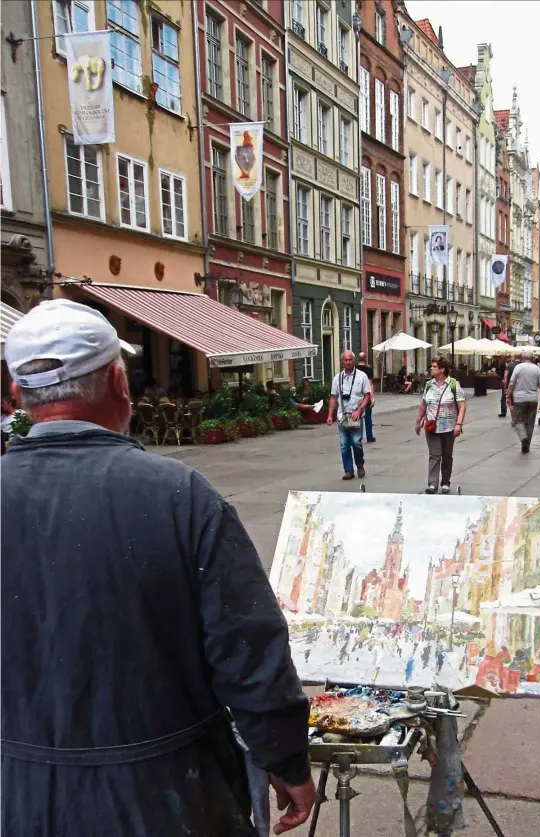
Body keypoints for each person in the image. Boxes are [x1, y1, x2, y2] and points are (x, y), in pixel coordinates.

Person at [1, 299, 315, 837]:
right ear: (120, 383)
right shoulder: (180, 497)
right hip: (167, 794)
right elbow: (249, 650)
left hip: (18, 793)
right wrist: (285, 760)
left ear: (16, 396)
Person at [414, 355, 466, 494]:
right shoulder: (429, 385)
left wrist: (459, 424)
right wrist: (418, 421)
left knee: (447, 455)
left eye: (434, 366)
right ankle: (432, 484)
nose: (431, 368)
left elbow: (462, 406)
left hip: (449, 427)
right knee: (434, 454)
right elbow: (423, 404)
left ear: (442, 369)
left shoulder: (454, 385)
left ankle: (445, 482)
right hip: (432, 427)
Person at [327, 351, 371, 480]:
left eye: (350, 360)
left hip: (356, 415)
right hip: (342, 416)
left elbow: (367, 395)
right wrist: (330, 415)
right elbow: (333, 397)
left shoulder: (361, 376)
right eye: (345, 360)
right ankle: (348, 470)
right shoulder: (337, 378)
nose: (348, 362)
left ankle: (360, 464)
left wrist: (360, 409)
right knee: (344, 444)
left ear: (354, 360)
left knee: (356, 442)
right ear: (342, 361)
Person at [506, 348, 540, 454]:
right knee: (530, 423)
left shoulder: (518, 367)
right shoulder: (537, 369)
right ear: (533, 358)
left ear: (522, 358)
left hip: (519, 399)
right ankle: (527, 445)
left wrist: (508, 395)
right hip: (533, 398)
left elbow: (511, 383)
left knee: (518, 420)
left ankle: (523, 437)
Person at [356, 351, 376, 443]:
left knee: (357, 416)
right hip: (366, 395)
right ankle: (369, 436)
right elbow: (370, 384)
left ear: (357, 359)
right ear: (365, 359)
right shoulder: (368, 370)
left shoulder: (354, 369)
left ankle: (357, 437)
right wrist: (372, 397)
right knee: (368, 417)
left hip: (356, 396)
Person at [502, 351, 522, 422]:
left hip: (511, 387)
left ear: (515, 357)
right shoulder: (523, 365)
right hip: (521, 387)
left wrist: (505, 387)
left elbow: (505, 377)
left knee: (512, 404)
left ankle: (513, 420)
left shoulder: (509, 366)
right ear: (521, 357)